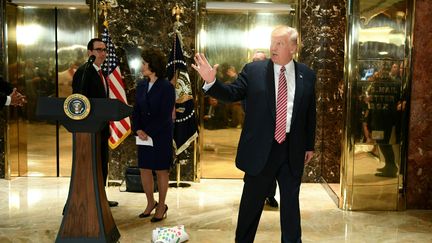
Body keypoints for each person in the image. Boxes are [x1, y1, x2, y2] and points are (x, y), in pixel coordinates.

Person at [193, 25, 316, 243]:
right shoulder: (254, 70)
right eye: (272, 42)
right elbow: (232, 93)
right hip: (261, 149)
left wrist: (309, 145)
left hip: (292, 149)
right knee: (251, 206)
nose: (273, 47)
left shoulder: (307, 74)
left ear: (294, 48)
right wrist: (212, 82)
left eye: (280, 43)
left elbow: (309, 113)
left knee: (290, 206)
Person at [72, 38, 118, 207]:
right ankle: (87, 200)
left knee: (101, 165)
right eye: (99, 50)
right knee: (90, 166)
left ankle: (100, 198)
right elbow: (78, 102)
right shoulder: (84, 72)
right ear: (89, 52)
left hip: (101, 128)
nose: (103, 53)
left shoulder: (101, 73)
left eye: (104, 50)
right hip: (88, 131)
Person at [132, 48, 175, 222]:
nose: (142, 66)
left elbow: (165, 115)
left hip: (160, 135)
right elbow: (136, 110)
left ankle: (162, 205)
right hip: (142, 135)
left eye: (144, 63)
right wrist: (137, 129)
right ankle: (151, 203)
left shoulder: (166, 87)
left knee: (161, 170)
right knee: (145, 169)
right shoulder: (141, 85)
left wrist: (147, 132)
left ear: (153, 65)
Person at [251, 51, 278, 208]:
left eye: (260, 60)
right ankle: (256, 195)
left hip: (273, 133)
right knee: (255, 166)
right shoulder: (249, 77)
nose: (257, 63)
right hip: (255, 132)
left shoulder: (272, 78)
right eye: (255, 60)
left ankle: (270, 195)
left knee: (271, 166)